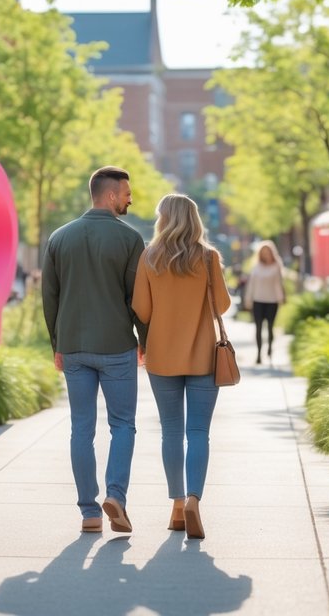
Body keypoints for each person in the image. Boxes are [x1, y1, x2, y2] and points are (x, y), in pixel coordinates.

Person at [42, 166, 145, 534]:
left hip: (73, 348)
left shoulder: (59, 238)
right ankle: (116, 495)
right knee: (123, 425)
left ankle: (89, 512)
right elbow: (138, 299)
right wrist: (144, 340)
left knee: (81, 429)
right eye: (127, 193)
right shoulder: (130, 239)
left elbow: (49, 298)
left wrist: (58, 344)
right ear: (112, 195)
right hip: (117, 346)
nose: (131, 198)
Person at [132, 194, 232, 540]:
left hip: (161, 357)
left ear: (163, 219)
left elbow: (141, 311)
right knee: (198, 433)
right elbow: (222, 305)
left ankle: (176, 504)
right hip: (204, 356)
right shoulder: (208, 257)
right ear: (194, 219)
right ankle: (194, 500)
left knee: (171, 432)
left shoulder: (149, 257)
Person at [243, 240, 286, 364]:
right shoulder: (256, 267)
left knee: (271, 327)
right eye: (263, 252)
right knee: (258, 328)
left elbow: (278, 284)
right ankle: (258, 354)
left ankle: (270, 349)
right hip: (258, 300)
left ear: (272, 252)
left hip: (272, 301)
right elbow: (251, 284)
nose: (266, 254)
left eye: (268, 252)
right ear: (260, 254)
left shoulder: (276, 265)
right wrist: (248, 299)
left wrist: (280, 299)